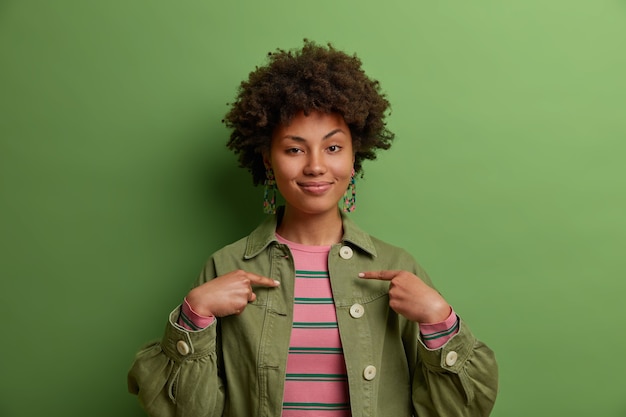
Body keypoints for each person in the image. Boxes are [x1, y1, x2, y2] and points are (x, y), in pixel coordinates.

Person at [128, 40, 498, 417]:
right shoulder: (225, 267)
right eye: (294, 149)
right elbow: (188, 412)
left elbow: (458, 411)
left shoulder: (397, 267)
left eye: (333, 148)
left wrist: (441, 320)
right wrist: (195, 313)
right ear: (268, 160)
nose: (316, 166)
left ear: (355, 156)